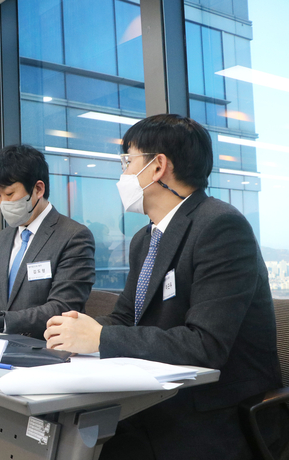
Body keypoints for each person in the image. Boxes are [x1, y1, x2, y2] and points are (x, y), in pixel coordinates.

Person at [44, 114, 288, 460]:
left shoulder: (220, 226)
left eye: (128, 162)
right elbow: (126, 317)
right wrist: (77, 329)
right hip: (156, 394)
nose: (123, 175)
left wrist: (100, 338)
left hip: (215, 411)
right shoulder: (145, 238)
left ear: (157, 167)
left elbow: (205, 345)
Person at [0, 144, 96, 338]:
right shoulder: (0, 240)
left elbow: (63, 307)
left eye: (9, 194)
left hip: (47, 346)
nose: (3, 203)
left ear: (38, 189)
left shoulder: (73, 236)